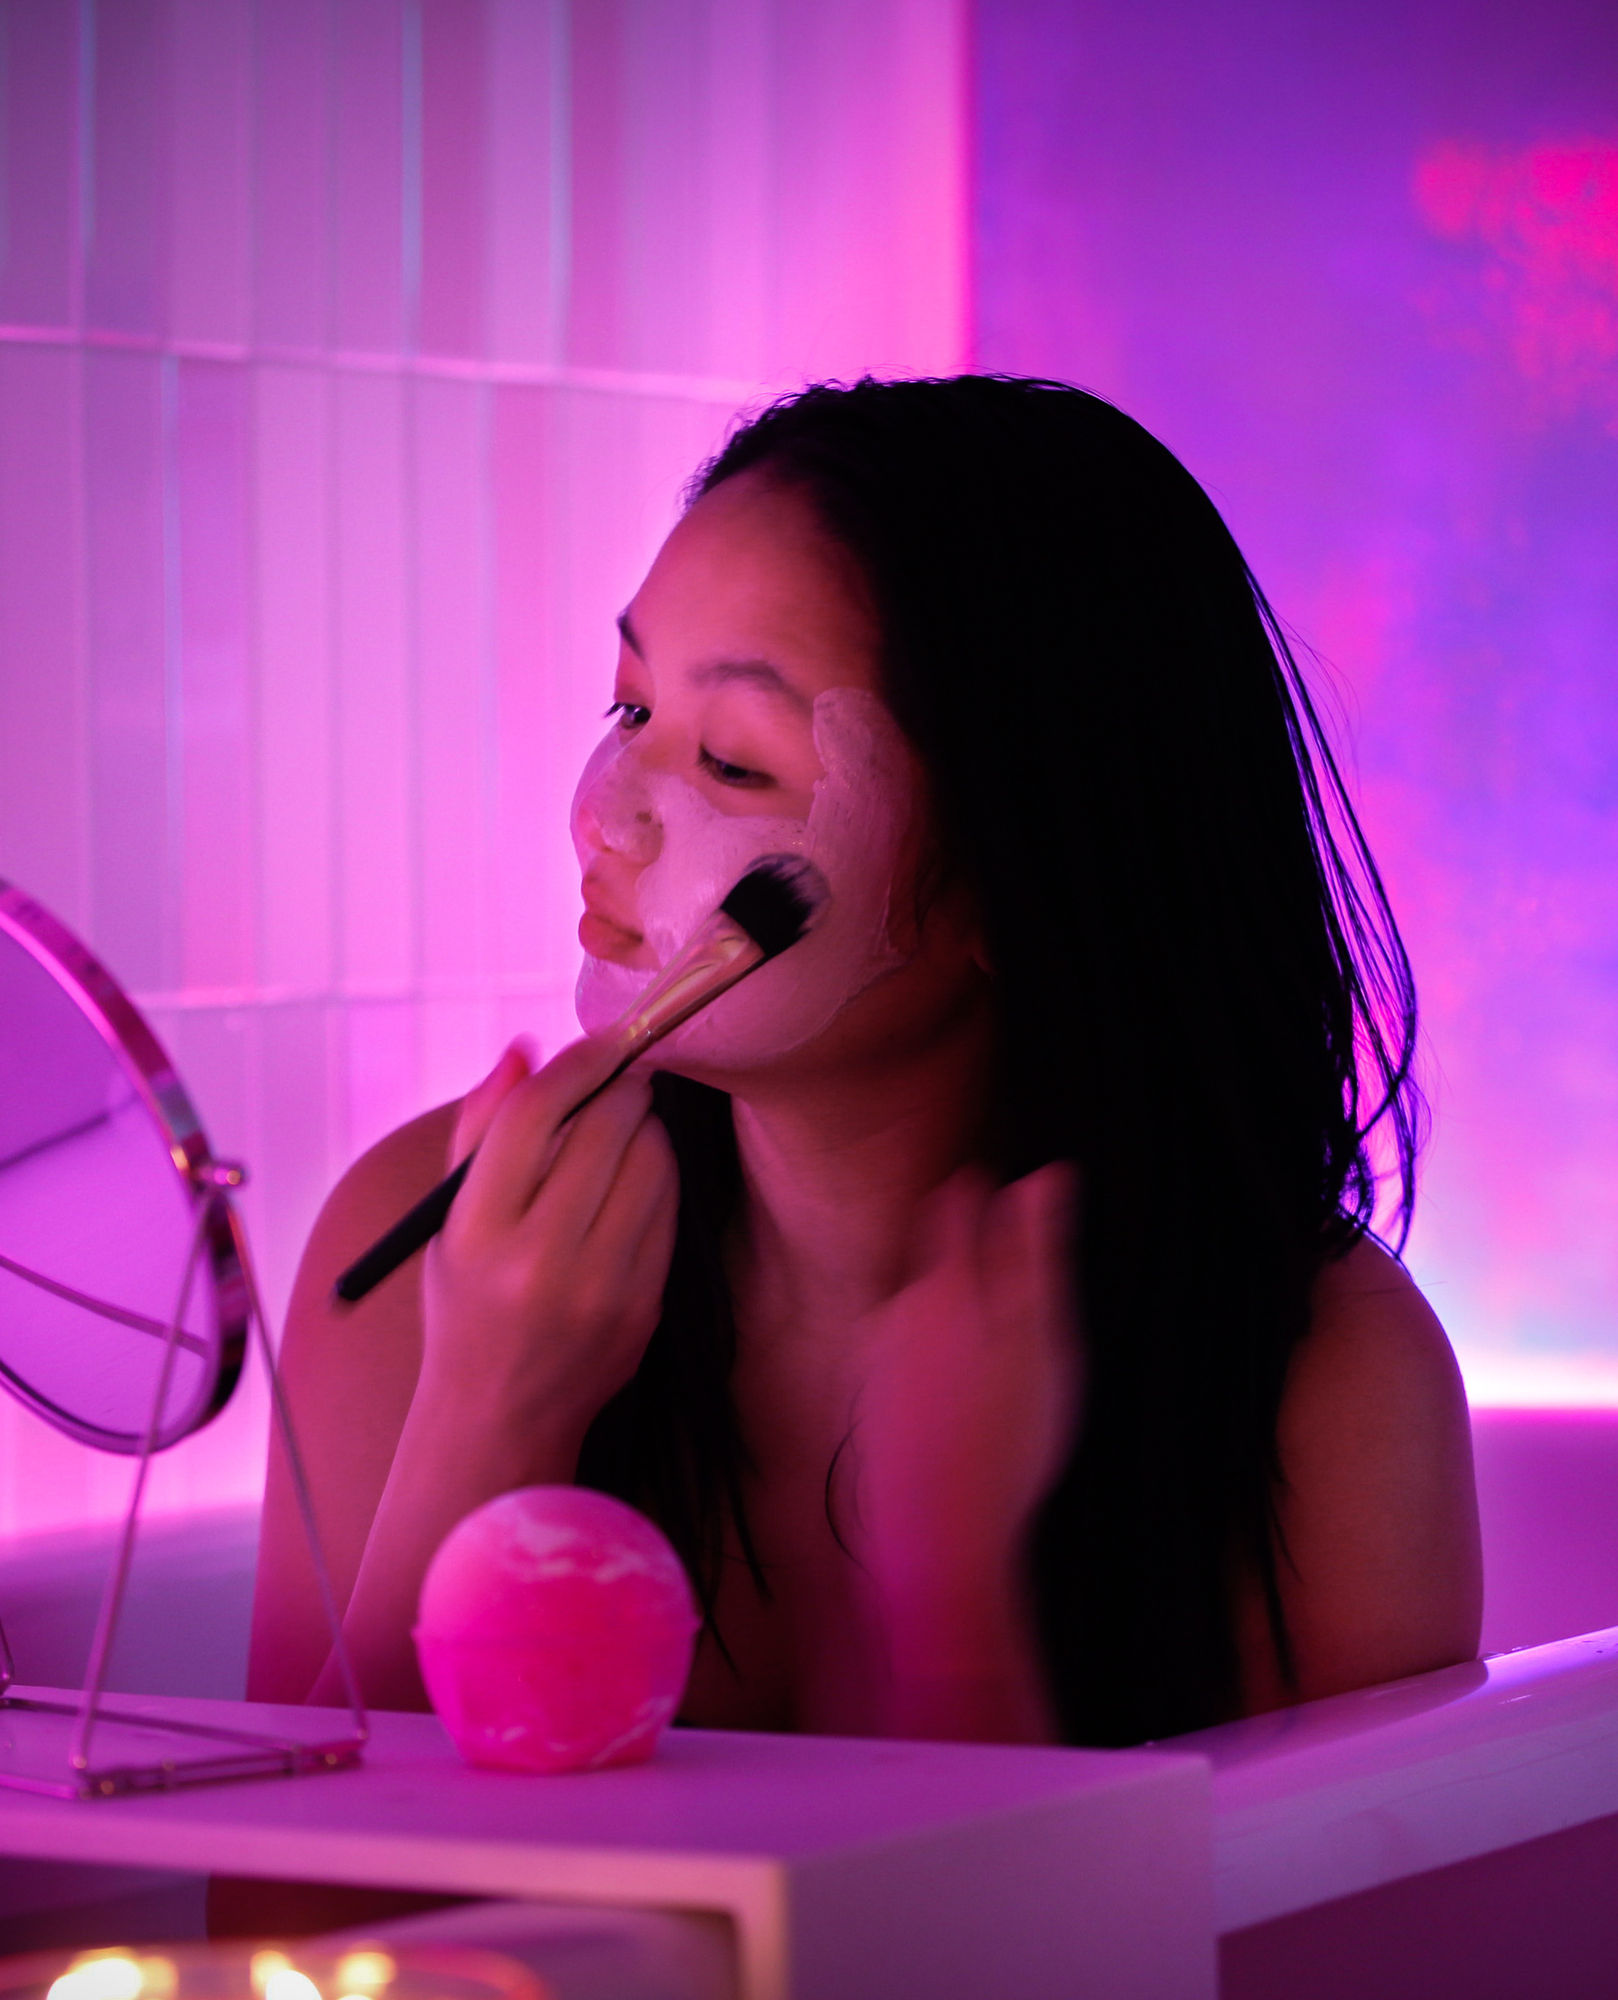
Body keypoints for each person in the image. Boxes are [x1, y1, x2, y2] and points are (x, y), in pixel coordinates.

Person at [247, 376, 1479, 1747]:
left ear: (1012, 891)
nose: (605, 816)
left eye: (732, 761)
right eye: (628, 708)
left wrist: (953, 1605)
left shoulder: (1325, 1375)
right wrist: (487, 1412)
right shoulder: (424, 1242)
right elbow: (285, 1951)